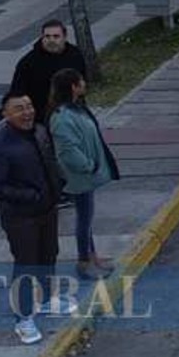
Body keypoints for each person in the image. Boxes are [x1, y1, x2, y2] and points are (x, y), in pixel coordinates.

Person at [0, 93, 77, 345]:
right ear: (5, 114)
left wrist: (58, 185)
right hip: (21, 218)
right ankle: (23, 319)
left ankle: (47, 300)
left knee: (49, 256)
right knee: (26, 266)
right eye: (18, 109)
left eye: (29, 106)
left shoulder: (39, 131)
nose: (26, 112)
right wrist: (30, 196)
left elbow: (49, 161)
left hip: (47, 210)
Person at [47, 68, 119, 281]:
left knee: (86, 217)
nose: (84, 84)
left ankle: (92, 256)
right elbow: (68, 151)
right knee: (84, 219)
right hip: (80, 176)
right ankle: (83, 261)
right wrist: (89, 165)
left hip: (86, 173)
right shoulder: (62, 116)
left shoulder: (74, 109)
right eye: (81, 82)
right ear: (73, 87)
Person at [9, 19, 88, 117]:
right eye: (47, 36)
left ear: (64, 37)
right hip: (41, 116)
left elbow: (82, 81)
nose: (51, 40)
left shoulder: (75, 55)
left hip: (74, 112)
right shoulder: (28, 62)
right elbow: (17, 92)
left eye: (56, 36)